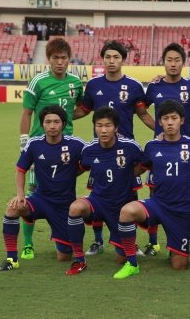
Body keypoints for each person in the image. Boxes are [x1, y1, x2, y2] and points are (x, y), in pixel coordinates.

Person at [73, 40, 155, 255]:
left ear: (123, 60)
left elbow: (144, 114)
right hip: (100, 150)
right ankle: (98, 241)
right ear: (103, 59)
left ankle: (131, 242)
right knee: (97, 193)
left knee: (129, 196)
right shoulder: (93, 85)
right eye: (108, 57)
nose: (111, 61)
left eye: (116, 57)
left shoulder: (134, 86)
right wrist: (59, 116)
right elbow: (83, 111)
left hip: (127, 152)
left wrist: (162, 131)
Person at [112, 100, 190, 279]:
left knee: (179, 265)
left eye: (174, 118)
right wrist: (116, 167)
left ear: (182, 120)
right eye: (165, 118)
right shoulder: (151, 146)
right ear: (160, 122)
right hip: (158, 204)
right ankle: (132, 264)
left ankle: (175, 250)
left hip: (182, 210)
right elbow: (138, 169)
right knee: (127, 211)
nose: (170, 122)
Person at [145, 43, 190, 256]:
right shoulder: (154, 86)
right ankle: (153, 242)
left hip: (187, 152)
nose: (173, 64)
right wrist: (156, 128)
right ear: (163, 62)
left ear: (183, 63)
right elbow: (139, 109)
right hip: (159, 150)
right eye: (169, 60)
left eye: (177, 60)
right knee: (154, 191)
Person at [0, 106, 86, 271]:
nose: (52, 126)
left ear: (63, 124)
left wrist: (72, 173)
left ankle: (66, 244)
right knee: (13, 208)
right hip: (40, 199)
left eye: (56, 122)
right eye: (48, 122)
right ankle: (11, 259)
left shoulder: (76, 144)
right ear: (42, 124)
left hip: (64, 205)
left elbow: (91, 164)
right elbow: (21, 170)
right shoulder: (34, 144)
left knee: (64, 257)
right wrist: (20, 194)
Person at [19, 38, 84, 260]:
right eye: (55, 58)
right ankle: (28, 244)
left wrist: (66, 121)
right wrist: (24, 141)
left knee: (65, 192)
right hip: (40, 145)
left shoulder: (76, 82)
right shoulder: (38, 81)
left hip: (67, 147)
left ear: (69, 59)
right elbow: (27, 113)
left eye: (63, 58)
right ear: (49, 59)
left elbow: (81, 108)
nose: (59, 62)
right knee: (33, 191)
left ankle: (65, 236)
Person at [65, 107, 145, 275]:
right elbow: (81, 168)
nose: (103, 130)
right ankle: (79, 260)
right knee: (75, 208)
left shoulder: (131, 147)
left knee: (121, 259)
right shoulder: (88, 150)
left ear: (116, 128)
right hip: (98, 201)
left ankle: (125, 247)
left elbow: (144, 165)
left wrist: (129, 174)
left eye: (108, 125)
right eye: (99, 125)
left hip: (122, 207)